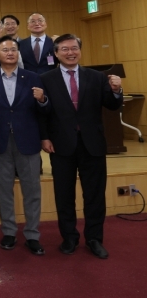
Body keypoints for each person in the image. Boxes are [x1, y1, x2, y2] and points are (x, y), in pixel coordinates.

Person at [40, 34, 123, 259]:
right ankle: (69, 238)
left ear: (80, 50)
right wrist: (44, 137)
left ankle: (94, 238)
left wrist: (116, 90)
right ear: (56, 53)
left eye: (74, 48)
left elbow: (112, 105)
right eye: (65, 49)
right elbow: (42, 113)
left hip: (92, 144)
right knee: (64, 195)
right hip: (61, 145)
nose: (70, 53)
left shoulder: (96, 77)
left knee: (95, 195)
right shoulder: (46, 78)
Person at [0, 36, 48, 256]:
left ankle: (32, 235)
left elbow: (44, 113)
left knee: (32, 190)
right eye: (5, 50)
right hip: (0, 140)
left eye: (13, 49)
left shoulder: (33, 77)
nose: (10, 52)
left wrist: (42, 100)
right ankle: (9, 232)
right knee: (4, 190)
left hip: (28, 140)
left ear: (18, 53)